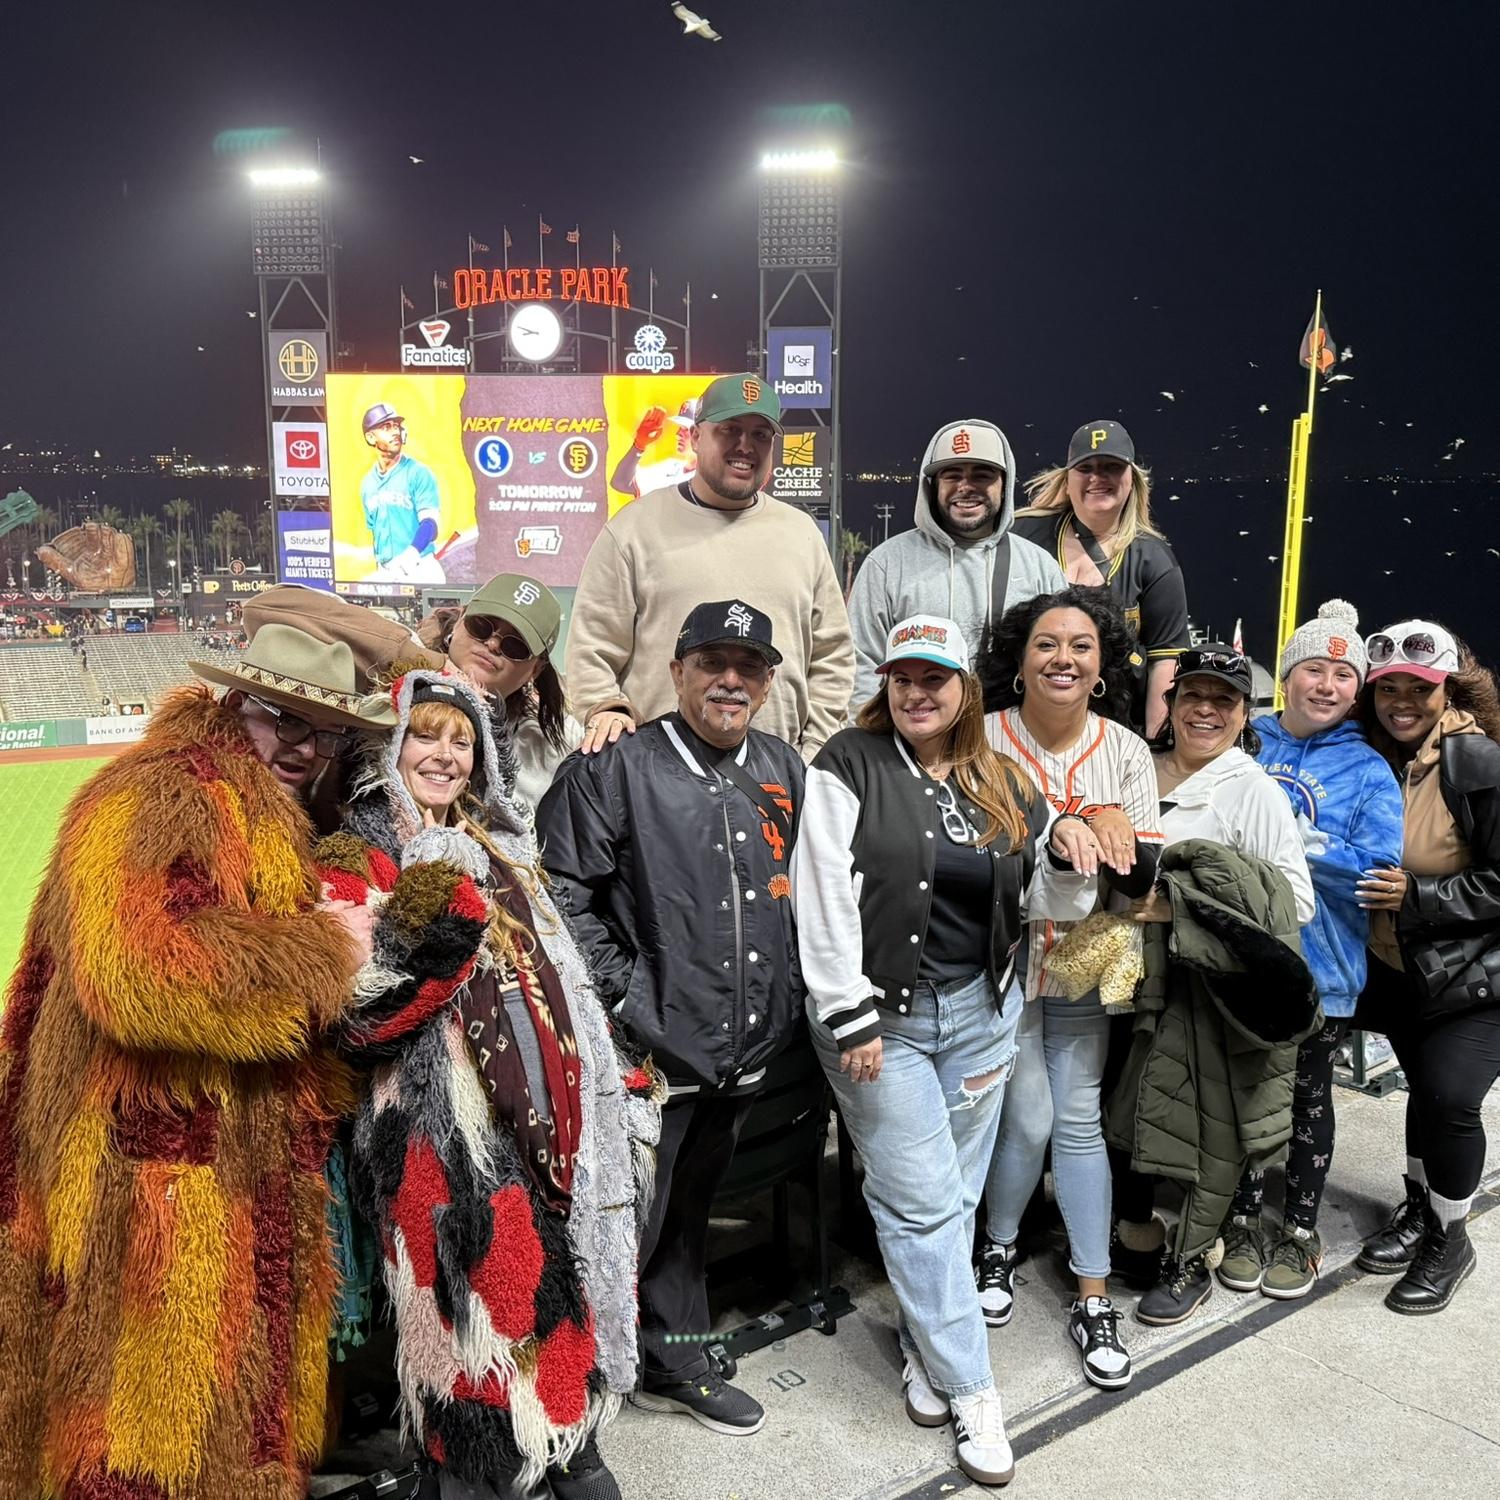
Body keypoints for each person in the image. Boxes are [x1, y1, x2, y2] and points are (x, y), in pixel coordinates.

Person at [0, 624, 398, 1500]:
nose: (304, 745)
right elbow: (143, 967)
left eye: (324, 730)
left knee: (216, 1414)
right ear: (233, 703)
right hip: (143, 1178)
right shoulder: (164, 791)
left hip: (210, 1166)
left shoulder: (257, 804)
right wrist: (327, 951)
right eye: (281, 718)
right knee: (138, 1438)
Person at [324, 666, 660, 1499]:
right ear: (393, 747)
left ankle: (565, 1447)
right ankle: (484, 1468)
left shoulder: (503, 845)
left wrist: (609, 1074)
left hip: (548, 1122)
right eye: (426, 736)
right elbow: (354, 1012)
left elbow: (562, 979)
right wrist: (440, 926)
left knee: (559, 1299)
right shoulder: (356, 852)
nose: (444, 755)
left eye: (462, 741)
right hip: (439, 1141)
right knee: (471, 1337)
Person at [792, 613, 1098, 1487]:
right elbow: (820, 895)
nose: (917, 693)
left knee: (952, 1194)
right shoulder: (848, 763)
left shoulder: (1000, 779)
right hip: (878, 1021)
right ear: (886, 685)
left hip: (981, 1014)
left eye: (935, 678)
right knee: (923, 1203)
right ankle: (973, 1388)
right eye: (903, 678)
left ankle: (926, 1353)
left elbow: (1054, 904)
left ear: (965, 688)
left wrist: (1066, 853)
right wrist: (847, 1012)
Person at [539, 600, 805, 1441]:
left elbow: (806, 894)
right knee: (622, 1225)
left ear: (767, 683)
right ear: (678, 670)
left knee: (688, 1216)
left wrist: (787, 994)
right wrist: (630, 998)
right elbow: (559, 896)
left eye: (749, 666)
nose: (730, 680)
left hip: (744, 1047)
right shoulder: (614, 768)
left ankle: (670, 1357)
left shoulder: (782, 766)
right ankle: (570, 1390)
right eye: (713, 663)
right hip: (649, 1056)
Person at [971, 588, 1162, 1389]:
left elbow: (1143, 887)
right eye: (1047, 643)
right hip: (1001, 958)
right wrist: (1066, 826)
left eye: (1082, 646)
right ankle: (998, 1247)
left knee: (1076, 1117)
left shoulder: (1126, 749)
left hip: (1089, 955)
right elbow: (966, 856)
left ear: (1101, 664)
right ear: (1019, 661)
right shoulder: (980, 735)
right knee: (1029, 1116)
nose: (1064, 658)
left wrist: (1121, 833)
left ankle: (1092, 1292)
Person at [1118, 645, 1316, 1325]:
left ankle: (1192, 1261)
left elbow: (1295, 902)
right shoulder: (1136, 766)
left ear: (1244, 714)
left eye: (1223, 700)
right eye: (1193, 695)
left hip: (1203, 989)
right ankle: (1136, 1238)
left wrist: (1183, 909)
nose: (1206, 710)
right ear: (1170, 703)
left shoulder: (1251, 790)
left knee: (1211, 1136)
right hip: (1121, 979)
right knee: (1129, 1119)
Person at [1211, 602, 1403, 1299]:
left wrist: (1294, 838)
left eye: (1343, 675)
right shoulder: (1245, 741)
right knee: (1241, 1091)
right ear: (1287, 676)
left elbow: (1378, 872)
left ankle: (1298, 1230)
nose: (1326, 685)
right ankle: (1238, 1220)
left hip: (1324, 968)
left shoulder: (1370, 769)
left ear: (1358, 691)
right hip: (1239, 957)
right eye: (1313, 669)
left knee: (1307, 1100)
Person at [565, 374, 854, 760]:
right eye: (729, 429)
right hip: (657, 770)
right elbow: (592, 645)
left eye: (760, 435)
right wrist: (606, 708)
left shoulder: (801, 534)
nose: (745, 446)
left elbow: (833, 655)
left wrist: (815, 751)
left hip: (776, 774)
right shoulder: (634, 528)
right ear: (697, 437)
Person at [1351, 619, 1500, 1314]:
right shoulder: (1374, 754)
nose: (1402, 702)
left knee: (1449, 1096)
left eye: (1419, 688)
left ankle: (1450, 1236)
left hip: (1476, 975)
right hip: (1404, 969)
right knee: (1423, 1091)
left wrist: (1420, 896)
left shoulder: (1479, 764)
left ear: (1449, 690)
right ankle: (1420, 1210)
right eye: (1389, 689)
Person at [845, 419, 1064, 710]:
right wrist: (868, 734)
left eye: (982, 475)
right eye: (952, 475)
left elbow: (1061, 663)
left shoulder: (1039, 567)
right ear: (933, 486)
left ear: (1004, 484)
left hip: (1013, 733)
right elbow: (861, 666)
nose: (965, 487)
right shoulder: (887, 563)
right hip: (913, 733)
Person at [1013, 421, 1188, 735]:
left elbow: (1165, 661)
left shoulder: (1153, 559)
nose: (1098, 477)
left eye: (1112, 467)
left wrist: (1155, 746)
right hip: (1023, 722)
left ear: (1132, 480)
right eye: (1085, 468)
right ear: (1067, 480)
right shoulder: (1023, 535)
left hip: (1115, 730)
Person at [360, 400, 447, 584]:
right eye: (386, 427)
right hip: (385, 573)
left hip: (420, 568)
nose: (394, 432)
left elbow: (430, 524)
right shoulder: (367, 484)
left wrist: (411, 554)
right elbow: (375, 533)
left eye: (396, 426)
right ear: (371, 437)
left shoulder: (418, 473)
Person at [608, 396, 701, 501]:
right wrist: (638, 446)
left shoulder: (710, 481)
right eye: (680, 428)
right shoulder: (670, 467)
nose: (678, 434)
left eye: (685, 429)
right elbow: (620, 482)